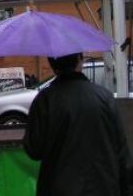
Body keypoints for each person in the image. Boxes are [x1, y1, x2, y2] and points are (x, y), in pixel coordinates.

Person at [24, 53, 133, 196]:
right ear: (79, 60)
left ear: (52, 65)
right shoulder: (105, 97)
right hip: (104, 187)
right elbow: (121, 153)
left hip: (58, 188)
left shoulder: (44, 101)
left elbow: (34, 149)